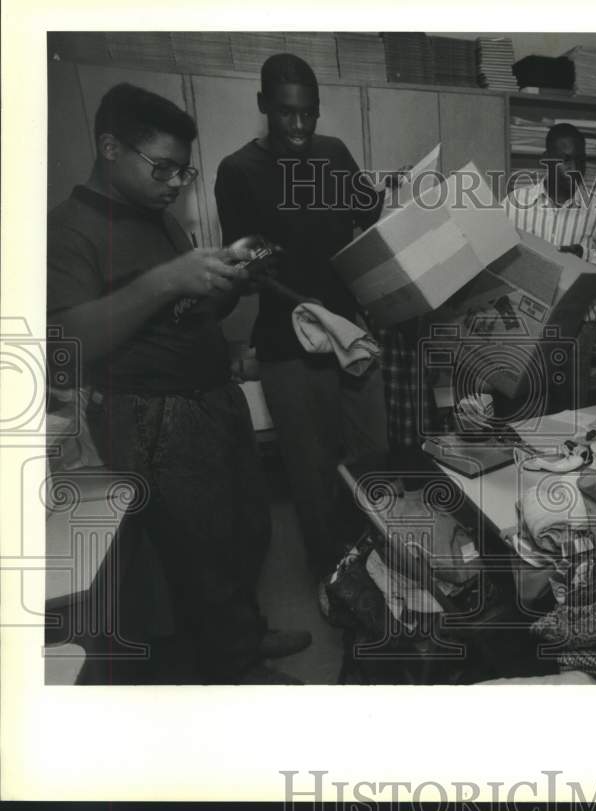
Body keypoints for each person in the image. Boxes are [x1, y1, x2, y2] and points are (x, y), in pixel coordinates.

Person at [47, 83, 310, 684]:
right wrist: (168, 280)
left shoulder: (160, 221)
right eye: (162, 168)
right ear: (109, 148)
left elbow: (184, 318)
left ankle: (245, 635)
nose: (173, 183)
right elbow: (66, 343)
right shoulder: (69, 230)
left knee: (247, 529)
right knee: (200, 556)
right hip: (152, 417)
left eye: (181, 172)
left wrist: (225, 287)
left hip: (210, 398)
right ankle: (232, 671)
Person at [215, 54, 392, 580]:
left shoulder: (334, 153)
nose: (298, 126)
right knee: (311, 474)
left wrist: (392, 198)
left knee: (372, 454)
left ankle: (380, 567)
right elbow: (246, 261)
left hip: (350, 330)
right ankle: (334, 578)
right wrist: (269, 266)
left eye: (309, 114)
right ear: (263, 105)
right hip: (288, 341)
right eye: (287, 113)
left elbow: (367, 215)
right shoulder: (238, 171)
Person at [503, 123, 596, 410]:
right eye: (564, 160)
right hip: (525, 322)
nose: (573, 168)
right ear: (546, 160)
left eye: (580, 160)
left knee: (570, 411)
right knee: (523, 407)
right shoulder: (515, 204)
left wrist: (584, 255)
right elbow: (493, 256)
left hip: (577, 327)